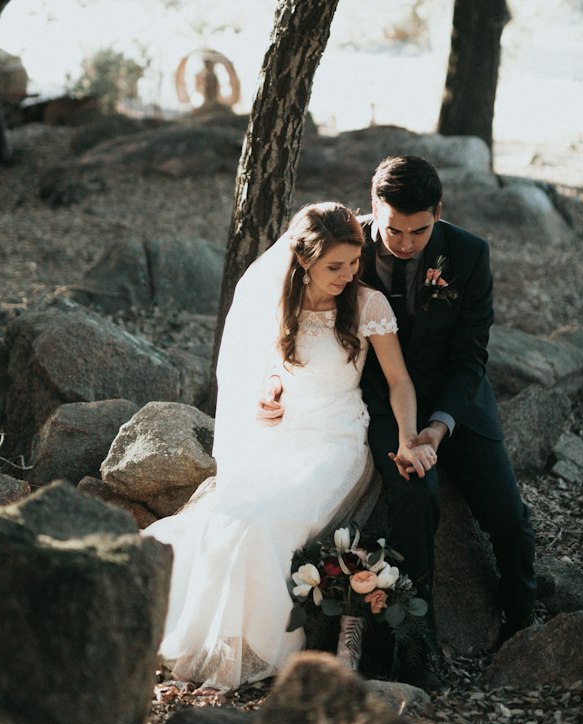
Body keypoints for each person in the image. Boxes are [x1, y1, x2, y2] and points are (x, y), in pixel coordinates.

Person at [141, 201, 434, 691]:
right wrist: (268, 396)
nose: (348, 274)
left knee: (267, 525)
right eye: (334, 266)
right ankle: (210, 643)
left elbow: (400, 381)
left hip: (337, 440)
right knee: (228, 518)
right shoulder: (279, 305)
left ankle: (260, 652)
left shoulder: (367, 305)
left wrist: (408, 436)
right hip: (283, 434)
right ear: (303, 262)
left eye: (354, 262)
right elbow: (269, 375)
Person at [359, 154, 538, 689]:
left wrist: (439, 427)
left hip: (459, 399)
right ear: (373, 208)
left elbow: (470, 356)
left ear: (439, 211)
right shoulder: (345, 248)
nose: (405, 242)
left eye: (419, 230)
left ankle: (522, 621)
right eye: (393, 229)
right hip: (381, 397)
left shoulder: (469, 254)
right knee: (416, 495)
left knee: (507, 514)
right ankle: (419, 644)